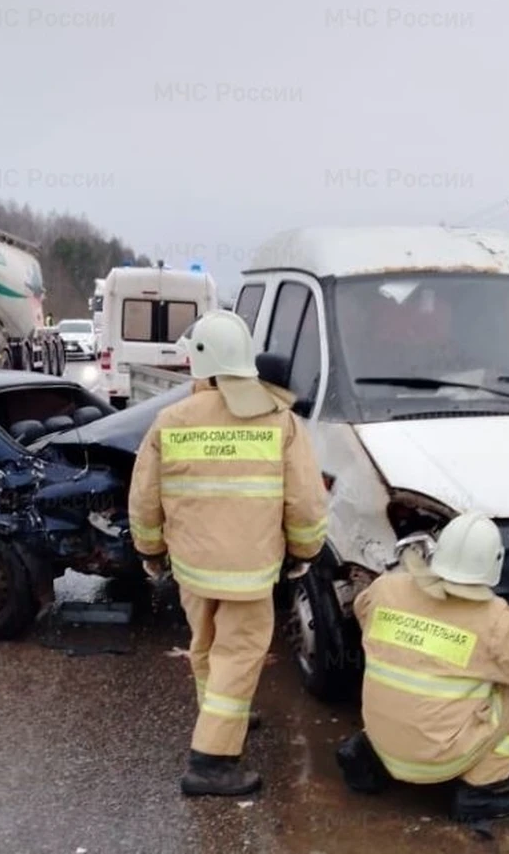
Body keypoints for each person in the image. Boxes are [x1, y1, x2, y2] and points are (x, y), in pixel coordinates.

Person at [128, 310, 328, 797]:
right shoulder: (277, 421)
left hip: (193, 571)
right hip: (249, 573)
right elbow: (305, 500)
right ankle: (212, 763)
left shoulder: (169, 421)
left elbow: (144, 499)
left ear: (199, 362)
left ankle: (222, 714)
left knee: (207, 647)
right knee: (239, 656)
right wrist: (305, 551)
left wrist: (151, 552)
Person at [337, 511, 509, 823]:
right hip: (439, 763)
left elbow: (362, 609)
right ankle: (482, 793)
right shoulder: (494, 621)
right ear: (494, 563)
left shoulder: (386, 590)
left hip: (383, 745)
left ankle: (371, 759)